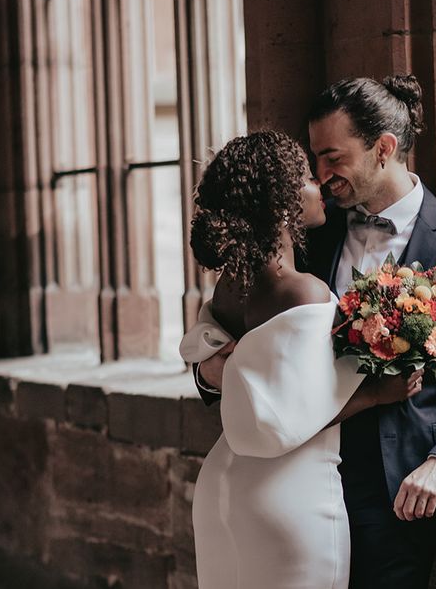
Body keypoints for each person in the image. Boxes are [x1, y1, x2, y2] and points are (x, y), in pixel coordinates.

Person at [193, 75, 436, 588]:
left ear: (383, 149)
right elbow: (246, 335)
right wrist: (209, 372)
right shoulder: (309, 235)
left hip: (395, 489)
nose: (322, 175)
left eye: (332, 157)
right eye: (314, 160)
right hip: (299, 476)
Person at [181, 130, 423, 589]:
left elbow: (250, 387)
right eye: (309, 178)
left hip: (222, 484)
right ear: (283, 200)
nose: (320, 187)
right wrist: (377, 393)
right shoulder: (303, 290)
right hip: (288, 492)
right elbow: (285, 417)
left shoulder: (229, 286)